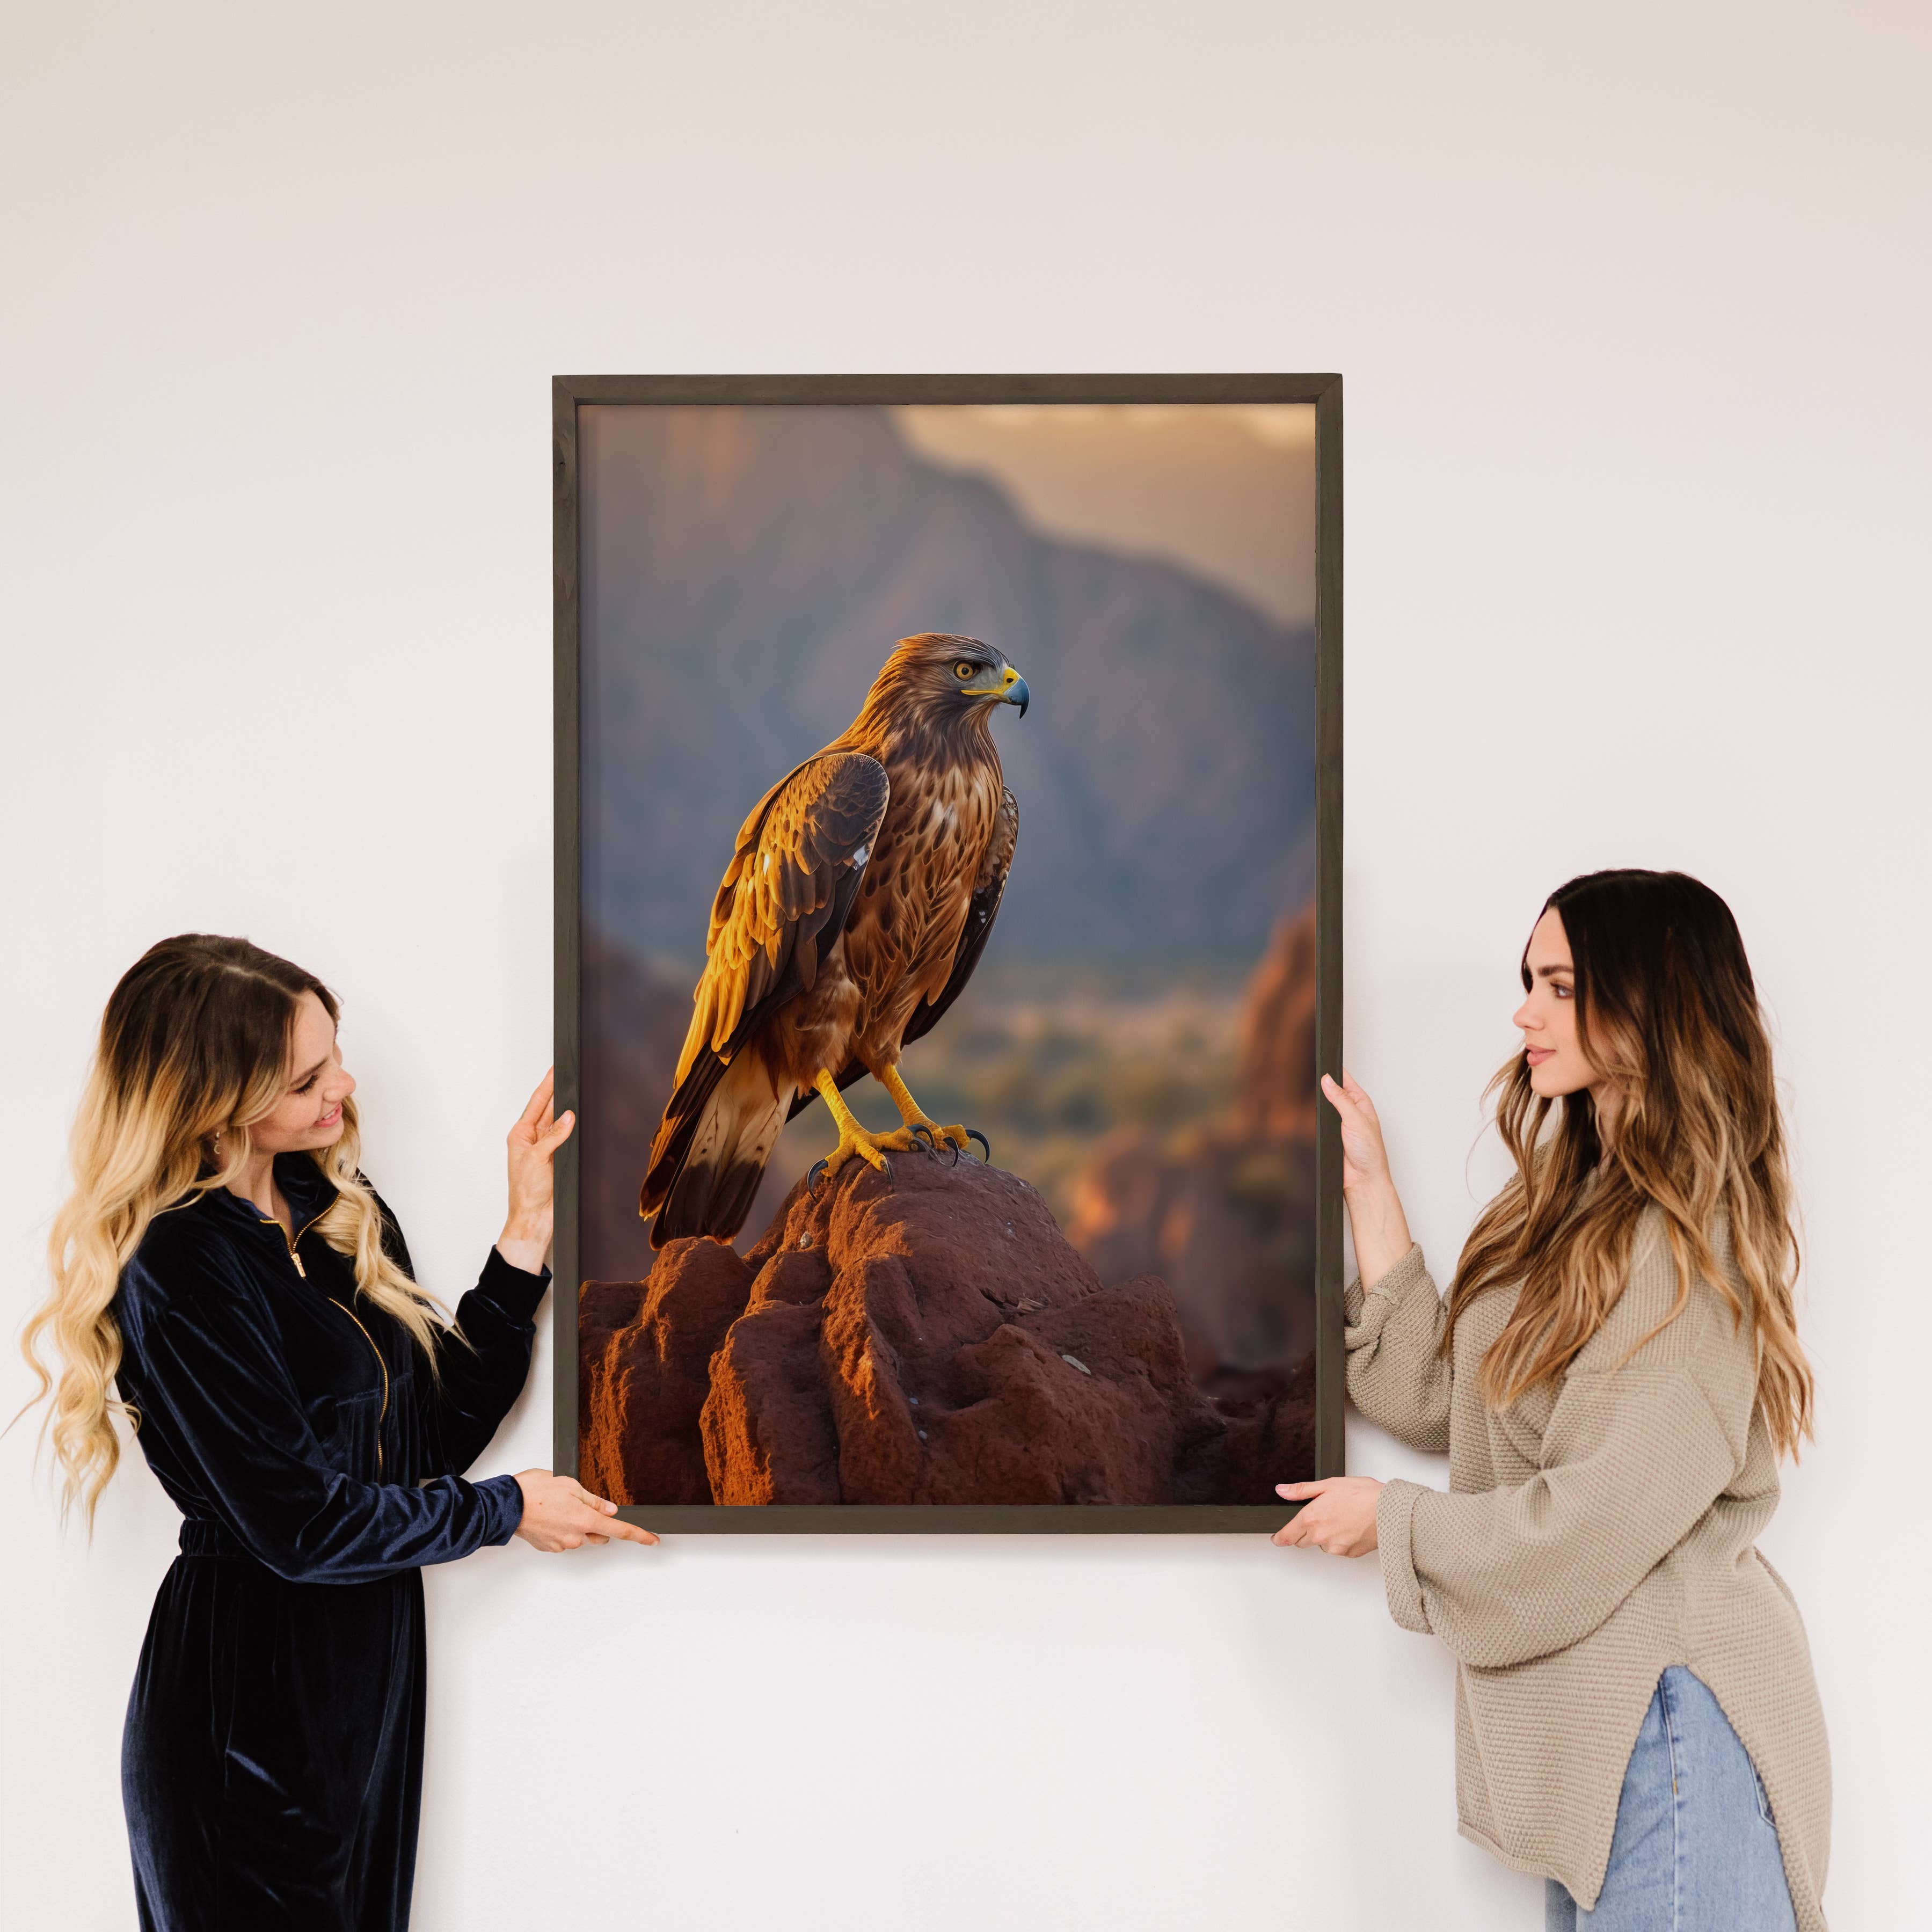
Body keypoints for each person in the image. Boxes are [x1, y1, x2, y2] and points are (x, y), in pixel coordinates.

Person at [20, 934, 657, 1931]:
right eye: (307, 1077)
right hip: (245, 1712)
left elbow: (428, 1443)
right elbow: (301, 1525)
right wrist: (506, 1512)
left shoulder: (333, 1209)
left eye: (335, 1052)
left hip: (361, 1693)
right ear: (211, 1102)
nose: (345, 1088)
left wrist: (524, 1234)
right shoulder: (176, 1266)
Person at [1271, 870, 1829, 1931]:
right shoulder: (1574, 1217)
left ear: (1649, 1001)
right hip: (1614, 1747)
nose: (1525, 1011)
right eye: (1530, 980)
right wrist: (1371, 1195)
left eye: (1561, 986)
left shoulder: (1682, 1257)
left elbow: (1586, 1529)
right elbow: (1458, 1400)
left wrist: (1390, 1521)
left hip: (1672, 1738)